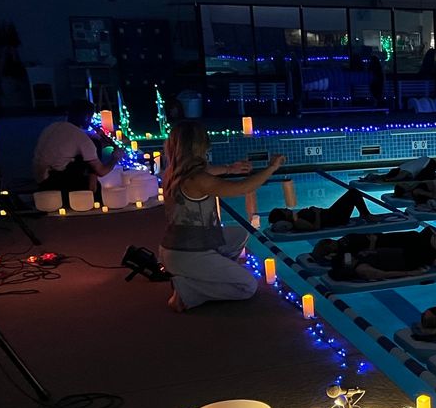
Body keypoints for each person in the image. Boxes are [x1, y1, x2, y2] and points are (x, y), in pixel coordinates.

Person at [159, 122, 285, 312]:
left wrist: (229, 169)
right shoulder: (198, 180)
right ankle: (188, 290)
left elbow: (207, 172)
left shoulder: (172, 173)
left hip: (175, 248)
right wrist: (271, 168)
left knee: (239, 234)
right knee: (248, 287)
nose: (208, 147)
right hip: (189, 254)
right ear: (197, 147)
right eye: (205, 143)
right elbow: (243, 188)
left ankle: (201, 274)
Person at [32, 99, 122, 201]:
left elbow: (72, 138)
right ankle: (92, 194)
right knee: (96, 182)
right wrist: (115, 158)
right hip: (54, 183)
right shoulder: (82, 139)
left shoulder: (52, 126)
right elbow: (102, 171)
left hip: (39, 179)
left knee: (80, 155)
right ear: (87, 117)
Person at [323, 228, 436, 283]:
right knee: (427, 235)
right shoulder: (360, 268)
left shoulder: (354, 259)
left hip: (402, 255)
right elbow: (380, 274)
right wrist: (410, 273)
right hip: (405, 260)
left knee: (426, 242)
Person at [267, 189, 387, 233]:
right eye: (284, 210)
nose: (286, 208)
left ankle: (365, 214)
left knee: (353, 192)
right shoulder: (297, 222)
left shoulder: (295, 217)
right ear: (283, 216)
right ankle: (366, 215)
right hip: (335, 218)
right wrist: (317, 213)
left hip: (331, 214)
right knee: (353, 193)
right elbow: (315, 228)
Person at [359, 155, 436, 184]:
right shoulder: (401, 168)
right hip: (425, 160)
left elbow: (395, 178)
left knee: (421, 179)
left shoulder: (404, 170)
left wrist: (387, 180)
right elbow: (391, 176)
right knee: (418, 177)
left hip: (429, 163)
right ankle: (371, 176)